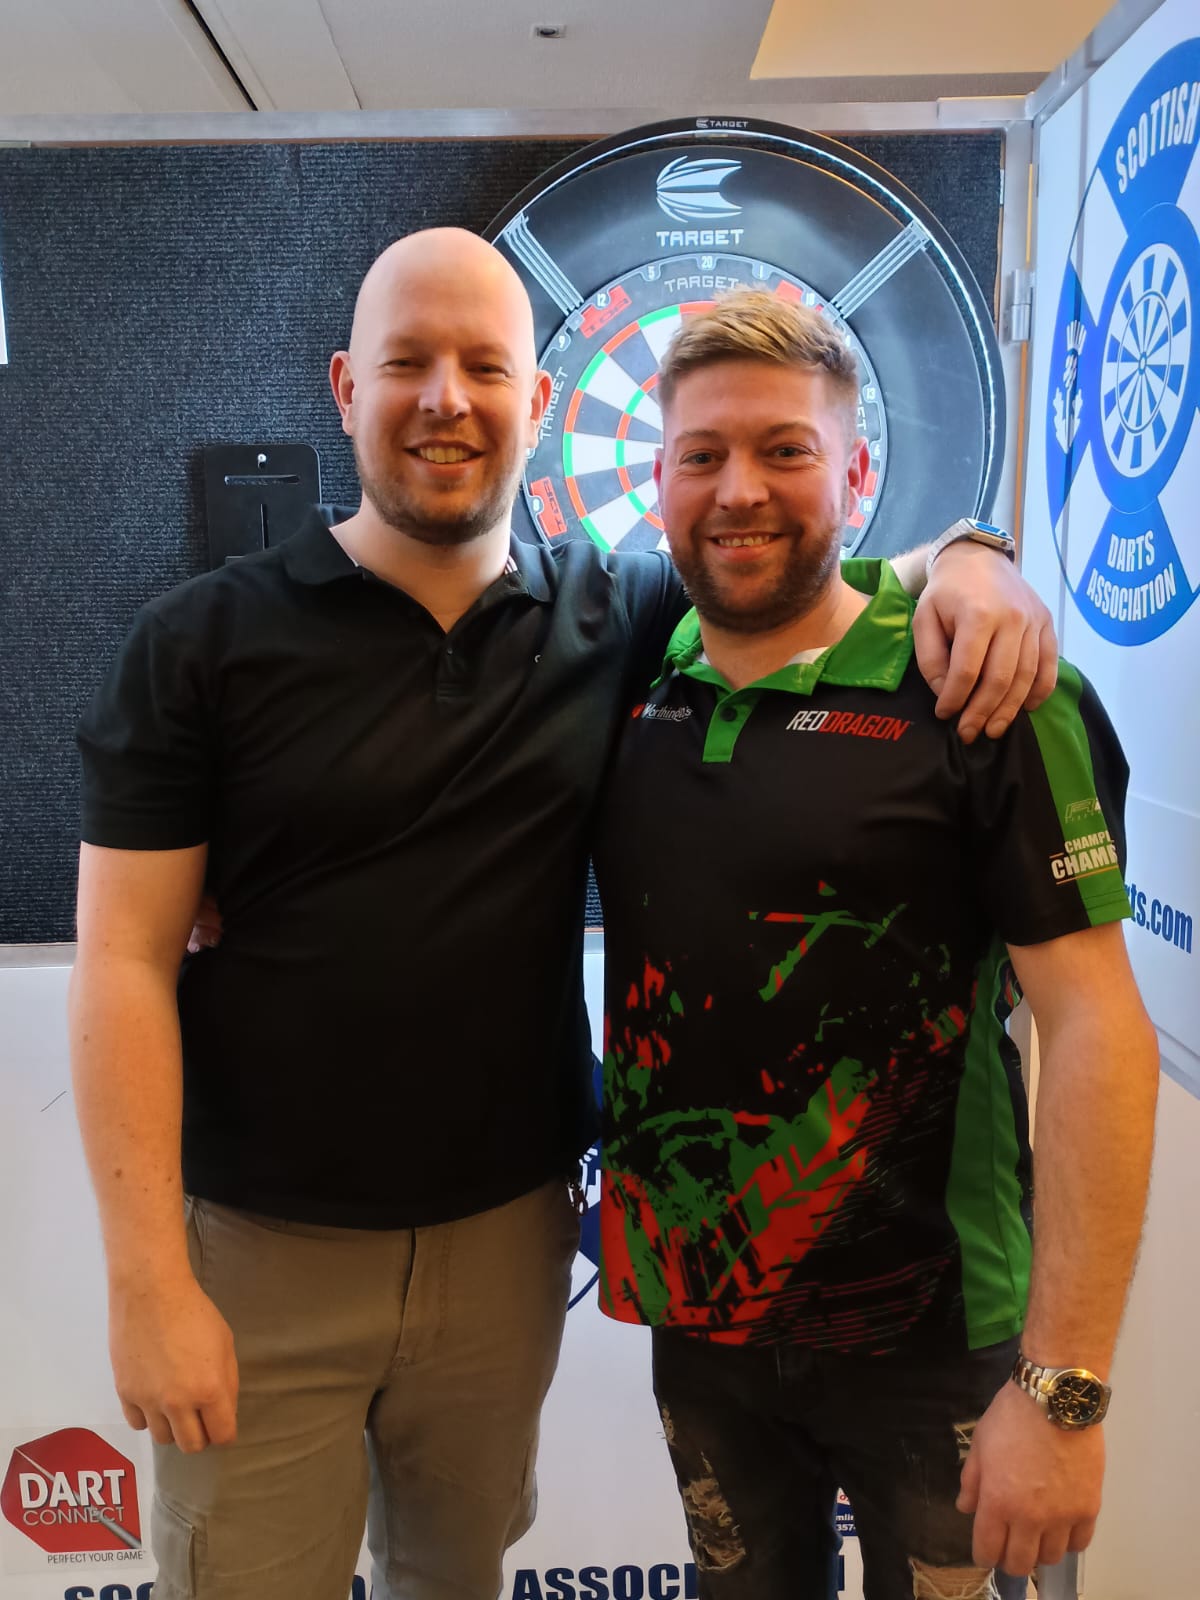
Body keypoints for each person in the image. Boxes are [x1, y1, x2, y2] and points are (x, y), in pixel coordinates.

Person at [69, 229, 1059, 1600]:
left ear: (538, 403)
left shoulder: (624, 609)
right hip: (262, 1245)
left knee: (454, 1578)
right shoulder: (199, 643)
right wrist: (144, 1282)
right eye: (408, 363)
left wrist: (973, 555)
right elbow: (123, 960)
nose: (446, 398)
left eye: (484, 366)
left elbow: (807, 569)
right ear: (347, 388)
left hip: (508, 1242)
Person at [592, 289, 1159, 1600]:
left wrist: (1065, 1390)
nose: (740, 489)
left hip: (935, 1339)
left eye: (785, 449)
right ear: (660, 480)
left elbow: (1097, 1032)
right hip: (704, 1330)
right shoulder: (643, 679)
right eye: (702, 454)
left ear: (855, 474)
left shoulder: (986, 692)